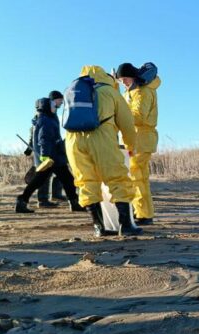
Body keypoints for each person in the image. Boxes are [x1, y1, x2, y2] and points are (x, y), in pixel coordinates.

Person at [65, 65, 142, 237]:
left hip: (73, 140)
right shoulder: (109, 91)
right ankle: (125, 225)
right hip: (100, 137)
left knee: (86, 182)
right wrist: (131, 146)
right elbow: (127, 122)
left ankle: (99, 227)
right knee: (117, 177)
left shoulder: (73, 89)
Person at [16, 98, 83, 214]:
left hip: (55, 157)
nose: (55, 107)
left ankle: (74, 203)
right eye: (52, 105)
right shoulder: (45, 120)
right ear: (46, 106)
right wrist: (45, 155)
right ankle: (21, 201)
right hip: (52, 157)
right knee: (44, 181)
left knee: (65, 180)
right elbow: (44, 139)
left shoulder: (48, 118)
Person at [116, 62, 161, 226]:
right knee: (139, 177)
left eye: (125, 79)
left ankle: (143, 215)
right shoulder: (132, 91)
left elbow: (139, 116)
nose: (123, 83)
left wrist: (119, 116)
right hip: (136, 139)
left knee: (137, 177)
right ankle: (143, 213)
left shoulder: (142, 92)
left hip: (141, 139)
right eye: (121, 80)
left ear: (133, 77)